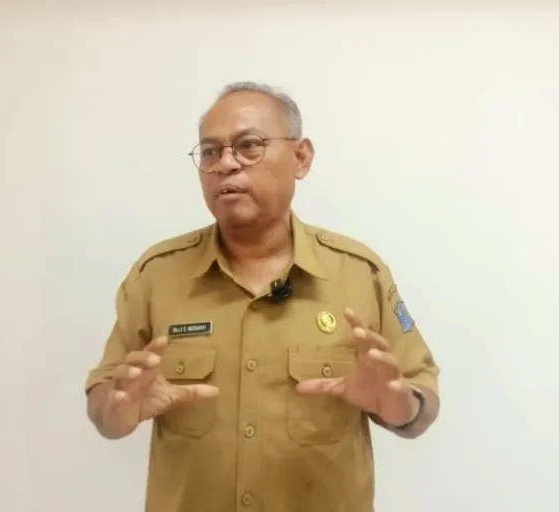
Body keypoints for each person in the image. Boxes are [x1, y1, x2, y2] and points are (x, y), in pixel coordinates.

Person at [84, 81, 441, 512]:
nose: (225, 164)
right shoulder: (156, 276)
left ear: (300, 157)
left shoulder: (360, 274)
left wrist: (401, 407)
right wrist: (115, 413)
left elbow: (421, 392)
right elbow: (106, 393)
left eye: (249, 146)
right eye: (210, 152)